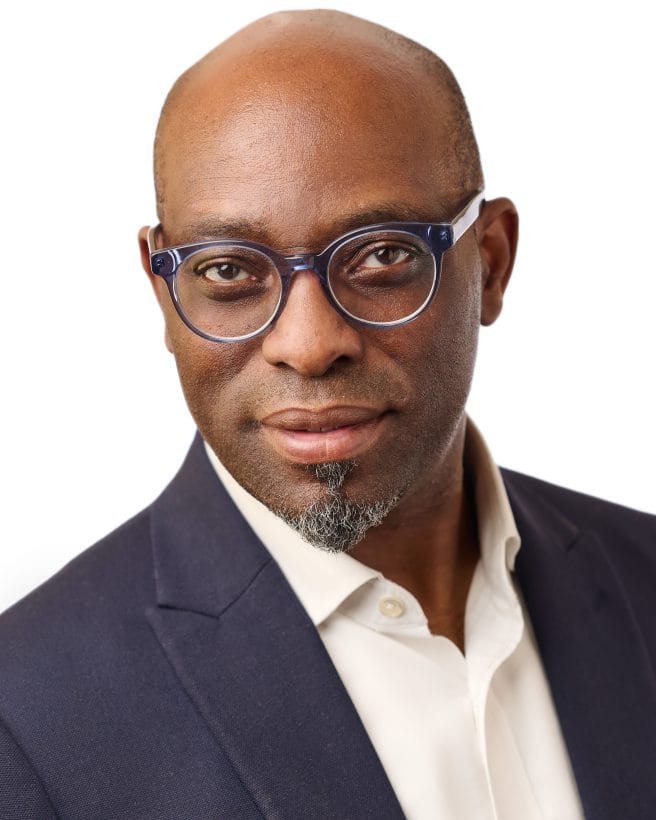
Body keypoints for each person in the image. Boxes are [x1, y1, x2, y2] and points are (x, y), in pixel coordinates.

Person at [0, 9, 654, 819]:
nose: (309, 346)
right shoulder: (26, 726)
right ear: (164, 293)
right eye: (229, 270)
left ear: (490, 263)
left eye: (382, 255)